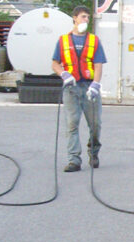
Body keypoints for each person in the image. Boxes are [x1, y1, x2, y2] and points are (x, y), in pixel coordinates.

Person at [51, 6, 107, 172]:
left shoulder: (94, 41)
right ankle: (74, 160)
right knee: (72, 124)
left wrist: (95, 85)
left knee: (95, 125)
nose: (86, 20)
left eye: (88, 18)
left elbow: (98, 65)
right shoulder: (63, 41)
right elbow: (55, 63)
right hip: (71, 88)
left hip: (89, 87)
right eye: (83, 17)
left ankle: (94, 152)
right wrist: (64, 75)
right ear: (74, 18)